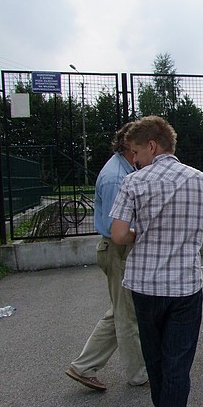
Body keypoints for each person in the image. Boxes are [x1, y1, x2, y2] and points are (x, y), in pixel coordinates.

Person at [110, 116, 203, 407]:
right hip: (185, 286)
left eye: (135, 151)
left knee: (156, 362)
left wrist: (141, 234)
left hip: (145, 286)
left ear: (152, 146)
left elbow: (118, 235)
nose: (134, 159)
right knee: (177, 366)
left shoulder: (133, 182)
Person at [66, 122, 148, 391]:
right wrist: (146, 232)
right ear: (129, 145)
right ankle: (139, 374)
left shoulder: (125, 170)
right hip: (117, 250)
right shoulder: (116, 177)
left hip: (117, 250)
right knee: (127, 316)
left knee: (119, 312)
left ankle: (83, 366)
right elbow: (117, 229)